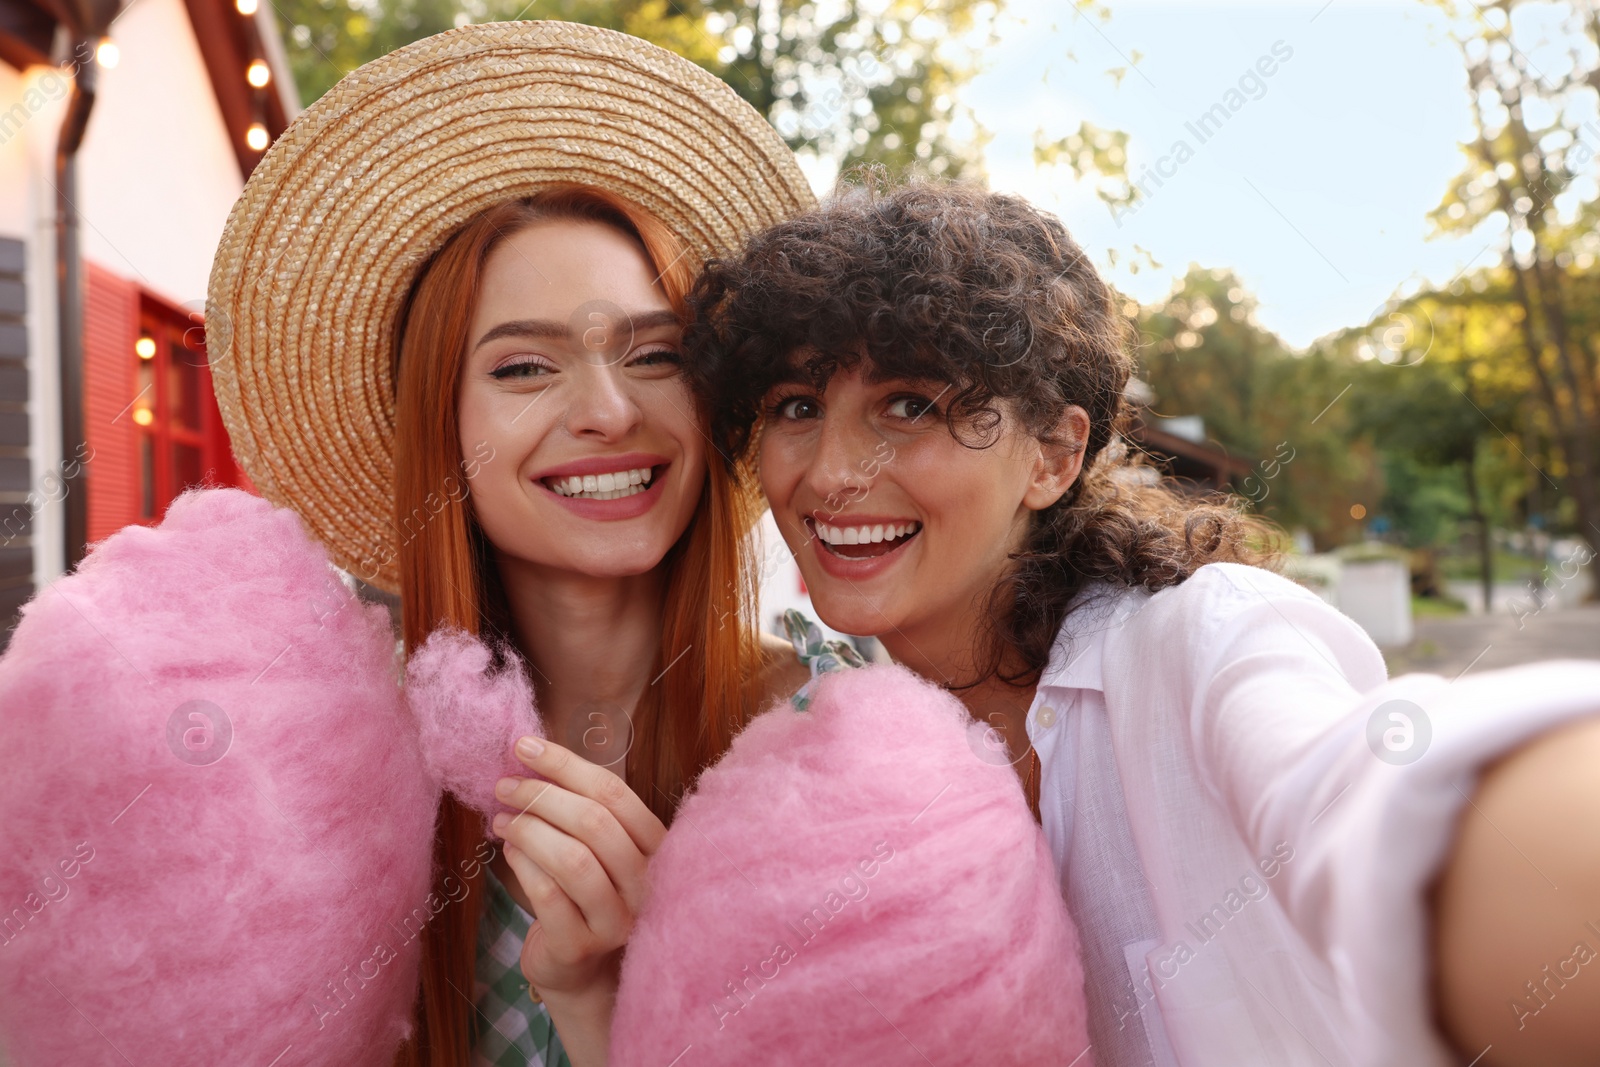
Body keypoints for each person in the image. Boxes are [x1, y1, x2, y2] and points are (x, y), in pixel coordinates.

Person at [686, 176, 1600, 1066]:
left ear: (1053, 455)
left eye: (911, 405)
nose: (834, 471)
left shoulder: (1205, 641)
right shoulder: (832, 752)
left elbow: (1361, 796)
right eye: (796, 407)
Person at [205, 23, 814, 1066]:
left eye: (654, 352)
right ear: (437, 427)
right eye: (525, 368)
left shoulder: (830, 733)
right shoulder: (333, 781)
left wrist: (618, 1011)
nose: (608, 411)